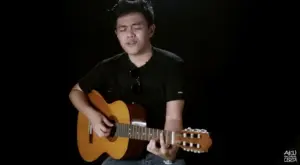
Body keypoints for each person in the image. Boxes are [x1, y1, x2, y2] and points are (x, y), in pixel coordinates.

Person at [69, 0, 186, 164]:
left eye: (137, 27)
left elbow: (173, 118)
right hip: (121, 155)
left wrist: (169, 154)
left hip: (157, 151)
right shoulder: (108, 66)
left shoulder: (172, 65)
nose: (129, 34)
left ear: (151, 30)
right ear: (117, 34)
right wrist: (93, 116)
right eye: (123, 29)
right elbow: (76, 92)